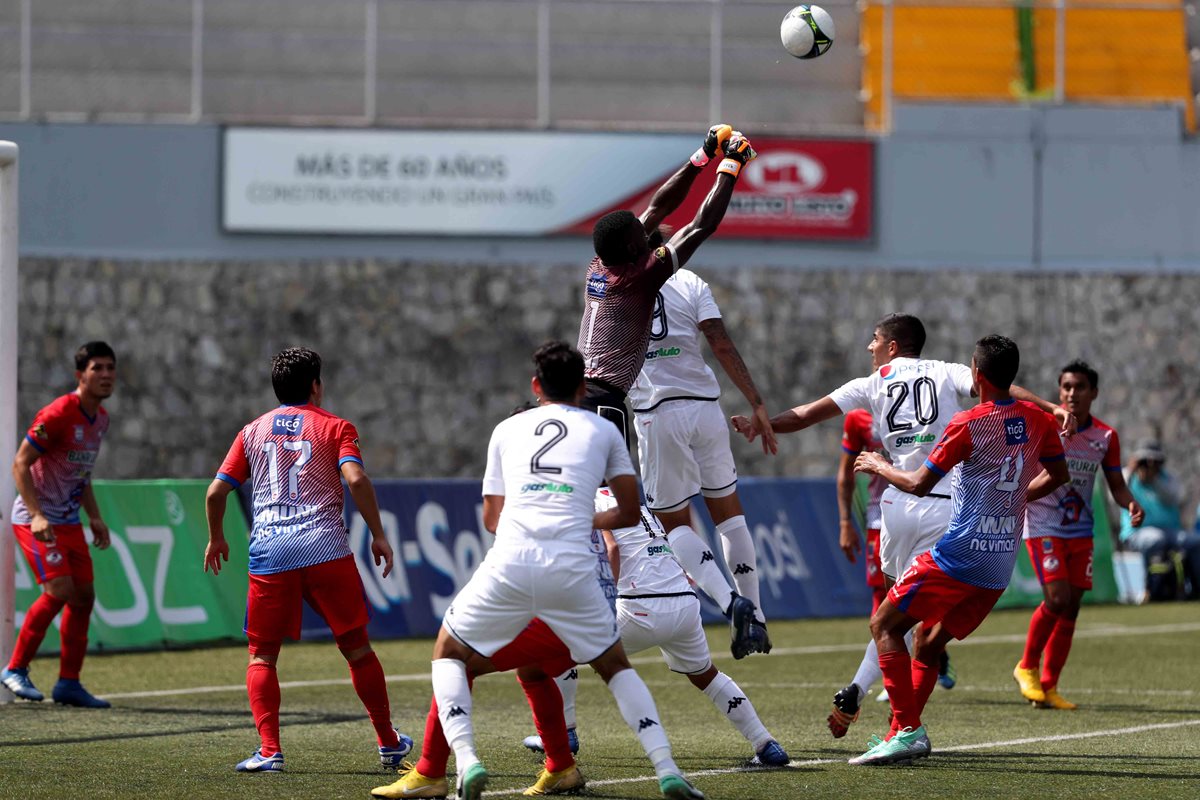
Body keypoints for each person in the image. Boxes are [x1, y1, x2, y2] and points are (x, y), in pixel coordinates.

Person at [732, 313, 1071, 739]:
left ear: (893, 346)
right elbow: (1003, 391)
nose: (869, 348)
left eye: (874, 340)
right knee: (910, 625)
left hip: (897, 504)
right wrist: (1049, 407)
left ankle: (889, 715)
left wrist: (761, 423)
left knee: (896, 615)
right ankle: (891, 716)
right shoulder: (946, 372)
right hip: (948, 506)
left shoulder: (871, 382)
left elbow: (803, 415)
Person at [428, 341, 704, 800]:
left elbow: (491, 519)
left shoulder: (507, 429)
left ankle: (467, 760)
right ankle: (666, 768)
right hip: (572, 570)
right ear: (582, 388)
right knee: (616, 668)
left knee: (449, 652)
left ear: (536, 386)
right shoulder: (603, 432)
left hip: (511, 561)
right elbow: (630, 513)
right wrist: (581, 517)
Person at [850, 334, 1070, 765]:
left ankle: (909, 730)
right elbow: (1058, 475)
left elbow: (917, 484)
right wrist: (1018, 497)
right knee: (929, 644)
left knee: (885, 626)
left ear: (977, 373)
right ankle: (900, 732)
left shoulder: (969, 423)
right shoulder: (1038, 421)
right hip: (999, 563)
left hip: (959, 553)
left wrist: (878, 464)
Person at [202, 347, 412, 773]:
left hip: (271, 551)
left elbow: (216, 492)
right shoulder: (336, 427)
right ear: (315, 385)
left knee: (262, 656)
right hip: (325, 548)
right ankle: (389, 743)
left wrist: (217, 538)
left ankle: (269, 751)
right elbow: (355, 478)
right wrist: (378, 534)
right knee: (356, 649)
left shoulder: (252, 432)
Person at [577, 125, 758, 448]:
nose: (647, 225)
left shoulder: (602, 263)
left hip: (578, 394)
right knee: (608, 496)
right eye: (639, 231)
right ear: (634, 249)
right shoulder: (639, 276)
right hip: (602, 401)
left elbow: (657, 207)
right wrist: (732, 164)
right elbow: (702, 226)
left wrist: (701, 157)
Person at [627, 266, 776, 658]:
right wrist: (756, 401)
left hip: (658, 413)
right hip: (706, 409)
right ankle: (757, 616)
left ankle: (732, 604)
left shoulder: (617, 281)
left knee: (672, 522)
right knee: (729, 514)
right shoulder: (689, 279)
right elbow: (720, 341)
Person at [1014, 360, 1145, 710]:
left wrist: (1130, 504)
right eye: (1066, 387)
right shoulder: (1044, 424)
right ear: (1059, 392)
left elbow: (1116, 484)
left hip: (1080, 530)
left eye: (1080, 387)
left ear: (1094, 393)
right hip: (1042, 524)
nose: (1072, 393)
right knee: (1056, 599)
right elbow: (1010, 391)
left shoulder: (1105, 437)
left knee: (1071, 608)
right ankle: (1026, 666)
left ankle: (1049, 686)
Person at [2, 342, 117, 708]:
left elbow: (80, 473)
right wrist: (36, 514)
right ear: (79, 375)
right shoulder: (57, 413)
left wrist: (94, 516)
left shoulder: (100, 419)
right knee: (60, 590)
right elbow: (21, 464)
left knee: (84, 597)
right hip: (36, 519)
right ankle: (15, 669)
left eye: (110, 368)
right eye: (97, 368)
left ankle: (69, 683)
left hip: (68, 521)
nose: (105, 375)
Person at [1118, 440, 1200, 599]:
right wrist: (1132, 469)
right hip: (1137, 532)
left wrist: (1154, 480)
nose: (1150, 465)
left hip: (1171, 531)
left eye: (1155, 462)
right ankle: (1153, 589)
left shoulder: (1167, 479)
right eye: (1145, 461)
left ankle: (1196, 589)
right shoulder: (1126, 476)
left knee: (1194, 542)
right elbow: (1115, 492)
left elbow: (1174, 498)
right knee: (1156, 539)